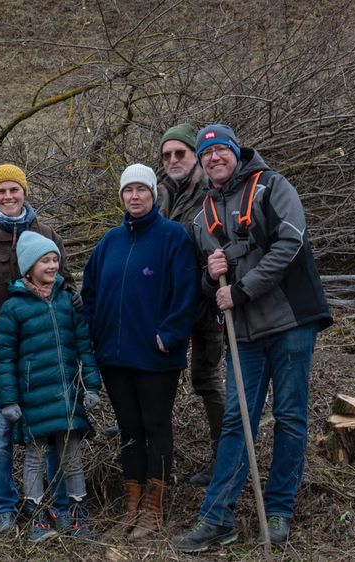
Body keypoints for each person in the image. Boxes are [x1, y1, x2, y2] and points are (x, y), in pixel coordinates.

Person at [171, 124, 333, 552]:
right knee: (235, 423)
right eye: (206, 155)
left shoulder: (272, 187)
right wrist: (211, 275)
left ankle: (278, 510)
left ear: (234, 152)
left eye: (220, 151)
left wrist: (240, 289)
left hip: (291, 321)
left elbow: (290, 243)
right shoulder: (200, 217)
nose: (213, 159)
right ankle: (217, 517)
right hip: (243, 333)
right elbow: (210, 291)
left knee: (289, 416)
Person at [80, 163, 199, 539]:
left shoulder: (172, 237)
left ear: (153, 194)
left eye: (141, 190)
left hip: (155, 356)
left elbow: (187, 291)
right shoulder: (109, 242)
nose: (134, 196)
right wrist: (97, 334)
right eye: (128, 191)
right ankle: (130, 506)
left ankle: (154, 508)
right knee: (129, 429)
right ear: (121, 196)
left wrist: (169, 334)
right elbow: (91, 293)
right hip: (115, 356)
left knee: (156, 427)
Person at [0, 163, 73, 535]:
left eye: (14, 190)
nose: (8, 196)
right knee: (1, 434)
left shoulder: (46, 232)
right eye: (1, 191)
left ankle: (53, 504)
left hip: (44, 359)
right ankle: (4, 507)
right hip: (0, 360)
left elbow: (66, 290)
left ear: (25, 192)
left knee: (52, 430)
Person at [0, 231, 103, 542]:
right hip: (32, 398)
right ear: (29, 266)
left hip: (67, 393)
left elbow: (84, 348)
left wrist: (91, 386)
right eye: (46, 260)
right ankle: (37, 517)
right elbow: (5, 359)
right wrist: (9, 400)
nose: (53, 265)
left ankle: (76, 514)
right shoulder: (13, 308)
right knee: (35, 455)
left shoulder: (68, 301)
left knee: (72, 455)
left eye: (55, 259)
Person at [156, 123, 226, 486]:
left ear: (195, 156)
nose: (172, 160)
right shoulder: (161, 192)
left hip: (206, 300)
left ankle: (225, 457)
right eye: (166, 155)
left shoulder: (211, 193)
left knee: (207, 379)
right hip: (169, 301)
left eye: (179, 153)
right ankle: (151, 445)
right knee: (158, 371)